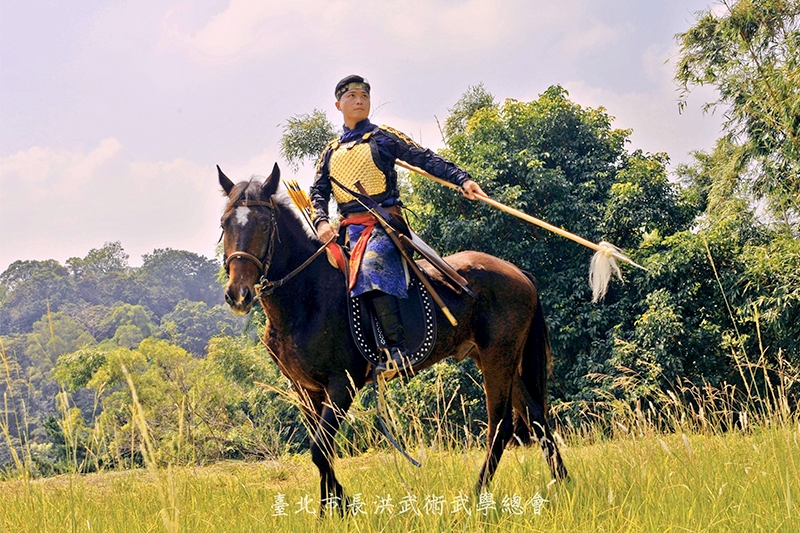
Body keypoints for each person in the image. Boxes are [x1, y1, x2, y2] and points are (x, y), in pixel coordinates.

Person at [310, 75, 486, 373]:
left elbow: (424, 158)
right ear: (338, 104)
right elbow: (318, 192)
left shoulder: (384, 137)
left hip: (384, 225)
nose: (359, 100)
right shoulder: (330, 151)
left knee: (371, 266)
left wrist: (462, 180)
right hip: (345, 230)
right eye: (352, 96)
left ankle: (396, 349)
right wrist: (321, 221)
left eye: (364, 95)